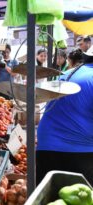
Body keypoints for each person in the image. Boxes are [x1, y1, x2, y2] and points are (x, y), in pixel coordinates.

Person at [36, 47, 93, 184]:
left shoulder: (68, 73)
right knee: (79, 203)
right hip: (78, 152)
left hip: (47, 146)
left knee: (46, 200)